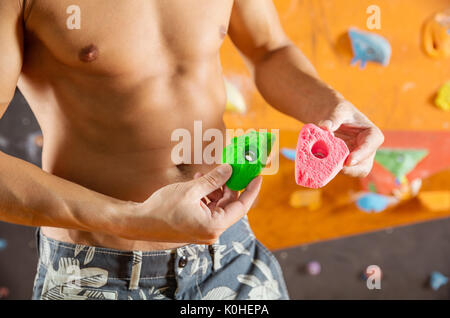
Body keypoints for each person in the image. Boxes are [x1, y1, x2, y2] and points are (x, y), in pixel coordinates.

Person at [0, 0, 384, 300]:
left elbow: (269, 49)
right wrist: (131, 218)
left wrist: (329, 108)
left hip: (228, 255)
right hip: (97, 272)